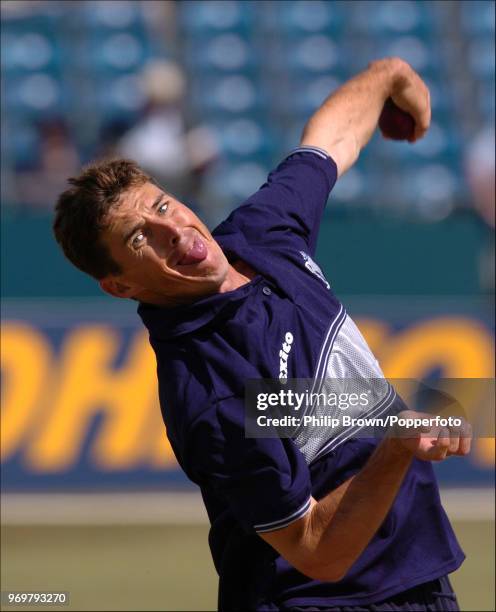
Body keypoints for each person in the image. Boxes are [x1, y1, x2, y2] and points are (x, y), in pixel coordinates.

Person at [53, 58, 471, 611]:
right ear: (120, 286)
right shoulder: (209, 388)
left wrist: (390, 76)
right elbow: (317, 552)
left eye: (161, 204)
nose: (171, 230)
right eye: (138, 239)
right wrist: (397, 447)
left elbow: (328, 143)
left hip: (418, 581)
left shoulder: (261, 234)